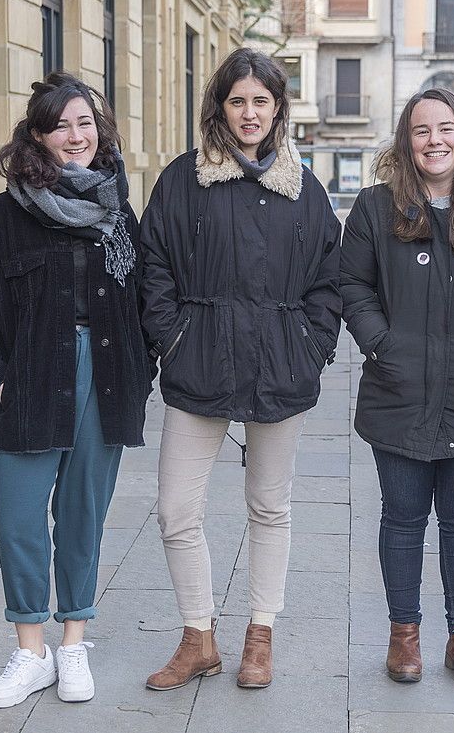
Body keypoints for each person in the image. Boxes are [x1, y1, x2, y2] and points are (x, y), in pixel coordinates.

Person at [140, 47, 341, 691]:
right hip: (200, 362)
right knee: (176, 507)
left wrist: (311, 346)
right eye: (238, 100)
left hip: (279, 366)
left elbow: (327, 280)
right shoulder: (183, 180)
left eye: (262, 101)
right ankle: (198, 635)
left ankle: (260, 634)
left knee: (269, 507)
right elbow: (155, 264)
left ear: (278, 108)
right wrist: (173, 336)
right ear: (218, 107)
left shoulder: (303, 189)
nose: (250, 113)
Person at [0, 72, 152, 708]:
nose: (76, 135)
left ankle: (72, 644)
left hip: (107, 374)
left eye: (86, 123)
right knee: (20, 518)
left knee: (83, 514)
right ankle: (29, 651)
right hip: (32, 375)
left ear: (101, 130)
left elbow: (144, 299)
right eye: (62, 125)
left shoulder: (118, 210)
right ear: (38, 136)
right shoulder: (6, 216)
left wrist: (142, 370)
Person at [341, 88, 454, 687]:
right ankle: (404, 635)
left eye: (445, 129)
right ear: (405, 141)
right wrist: (383, 346)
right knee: (401, 519)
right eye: (421, 131)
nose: (434, 141)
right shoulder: (375, 209)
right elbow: (352, 288)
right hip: (397, 393)